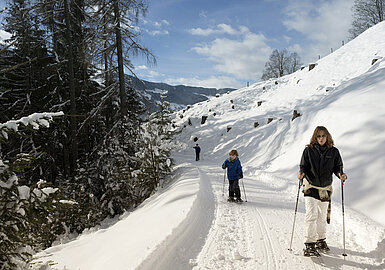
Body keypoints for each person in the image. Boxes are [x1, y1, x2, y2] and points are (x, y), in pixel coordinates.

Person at [297, 126, 347, 257]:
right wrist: (301, 173)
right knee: (311, 214)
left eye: (323, 136)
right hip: (310, 186)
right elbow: (303, 165)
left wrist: (341, 175)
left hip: (325, 188)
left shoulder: (334, 151)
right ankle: (309, 244)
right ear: (315, 137)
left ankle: (321, 240)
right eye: (318, 136)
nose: (321, 138)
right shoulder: (308, 150)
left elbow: (338, 167)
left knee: (322, 216)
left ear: (327, 136)